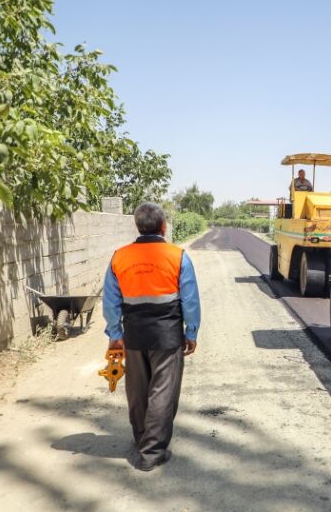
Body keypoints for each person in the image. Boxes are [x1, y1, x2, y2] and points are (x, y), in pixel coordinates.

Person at [103, 202, 201, 472]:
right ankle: (152, 452)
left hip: (134, 334)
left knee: (137, 390)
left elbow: (110, 302)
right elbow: (190, 300)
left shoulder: (119, 257)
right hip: (167, 335)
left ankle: (141, 440)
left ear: (138, 226)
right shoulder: (178, 257)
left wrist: (115, 334)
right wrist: (191, 332)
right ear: (163, 227)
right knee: (163, 392)